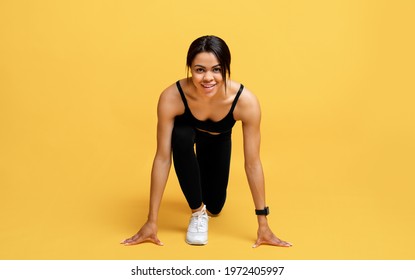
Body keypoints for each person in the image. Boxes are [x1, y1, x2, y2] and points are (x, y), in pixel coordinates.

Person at [121, 35, 291, 248]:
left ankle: (207, 207)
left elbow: (252, 163)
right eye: (200, 70)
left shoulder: (245, 101)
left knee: (216, 206)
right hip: (187, 137)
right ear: (190, 68)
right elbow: (163, 158)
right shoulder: (172, 97)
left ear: (226, 68)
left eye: (216, 70)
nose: (208, 78)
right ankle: (197, 212)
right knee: (180, 136)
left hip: (218, 141)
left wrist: (263, 222)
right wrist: (151, 220)